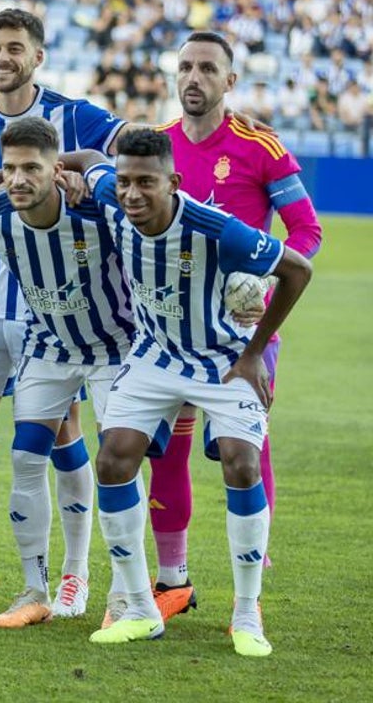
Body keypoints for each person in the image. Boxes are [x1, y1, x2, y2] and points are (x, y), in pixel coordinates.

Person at [83, 129, 313, 657]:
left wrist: (255, 353)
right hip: (154, 357)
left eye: (146, 182)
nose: (132, 194)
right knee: (114, 460)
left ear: (174, 182)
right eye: (125, 183)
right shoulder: (110, 196)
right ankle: (140, 609)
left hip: (222, 360)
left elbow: (298, 269)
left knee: (242, 465)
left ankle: (246, 611)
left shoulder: (218, 230)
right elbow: (90, 160)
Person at [0, 7, 125, 609]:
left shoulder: (74, 114)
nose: (2, 57)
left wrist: (81, 166)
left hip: (54, 315)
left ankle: (74, 574)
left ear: (37, 57)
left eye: (14, 48)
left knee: (62, 437)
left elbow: (134, 155)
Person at [145, 32, 323, 624]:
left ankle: (252, 580)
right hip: (171, 330)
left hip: (241, 333)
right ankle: (174, 580)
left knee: (240, 452)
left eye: (207, 69)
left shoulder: (260, 146)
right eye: (185, 67)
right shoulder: (159, 147)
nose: (193, 78)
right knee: (165, 452)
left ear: (230, 82)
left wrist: (265, 281)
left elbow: (306, 232)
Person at [0, 118, 132, 627]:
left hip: (113, 350)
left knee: (117, 463)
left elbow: (103, 165)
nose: (17, 179)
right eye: (9, 168)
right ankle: (35, 590)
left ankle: (116, 592)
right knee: (25, 457)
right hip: (50, 347)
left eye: (30, 168)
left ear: (56, 170)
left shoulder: (95, 208)